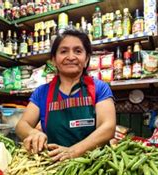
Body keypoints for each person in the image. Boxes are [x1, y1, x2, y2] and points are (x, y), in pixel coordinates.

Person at [16, 28, 116, 161]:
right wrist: (32, 133)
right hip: (54, 164)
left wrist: (73, 152)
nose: (71, 57)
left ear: (86, 60)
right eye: (63, 51)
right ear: (53, 60)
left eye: (78, 51)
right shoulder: (42, 92)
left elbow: (108, 127)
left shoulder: (99, 88)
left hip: (93, 166)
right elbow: (22, 125)